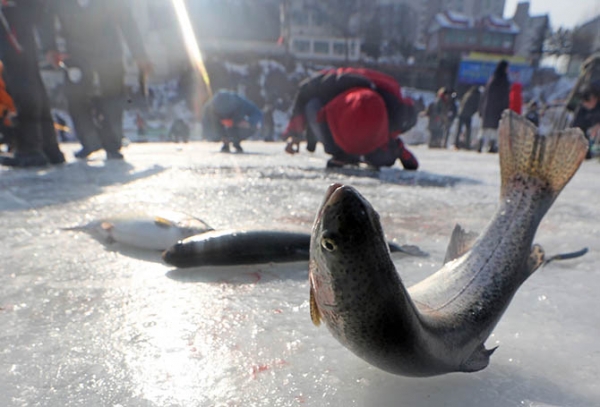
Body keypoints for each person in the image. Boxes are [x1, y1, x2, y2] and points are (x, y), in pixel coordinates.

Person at [40, 0, 152, 160]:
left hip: (109, 52)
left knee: (112, 97)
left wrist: (139, 54)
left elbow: (127, 21)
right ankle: (89, 141)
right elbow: (47, 19)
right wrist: (50, 48)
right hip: (76, 52)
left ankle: (112, 144)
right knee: (75, 98)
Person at [282, 67, 418, 170]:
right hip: (349, 114)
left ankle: (344, 152)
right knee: (312, 105)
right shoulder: (335, 83)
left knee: (380, 158)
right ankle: (342, 152)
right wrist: (295, 132)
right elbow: (305, 91)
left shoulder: (397, 108)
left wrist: (397, 149)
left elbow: (408, 118)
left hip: (377, 132)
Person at [0, 2, 66, 168]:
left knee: (22, 83)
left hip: (11, 17)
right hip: (18, 16)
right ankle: (48, 147)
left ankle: (30, 149)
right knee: (31, 80)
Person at [478, 60, 510, 153]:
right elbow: (505, 96)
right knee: (494, 128)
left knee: (485, 128)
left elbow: (484, 95)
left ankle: (480, 143)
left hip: (487, 107)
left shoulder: (492, 79)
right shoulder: (504, 80)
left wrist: (481, 108)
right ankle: (491, 145)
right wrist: (505, 108)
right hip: (497, 108)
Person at [571, 80, 600, 159]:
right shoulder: (582, 109)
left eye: (589, 101)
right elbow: (576, 127)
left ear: (595, 98)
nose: (587, 105)